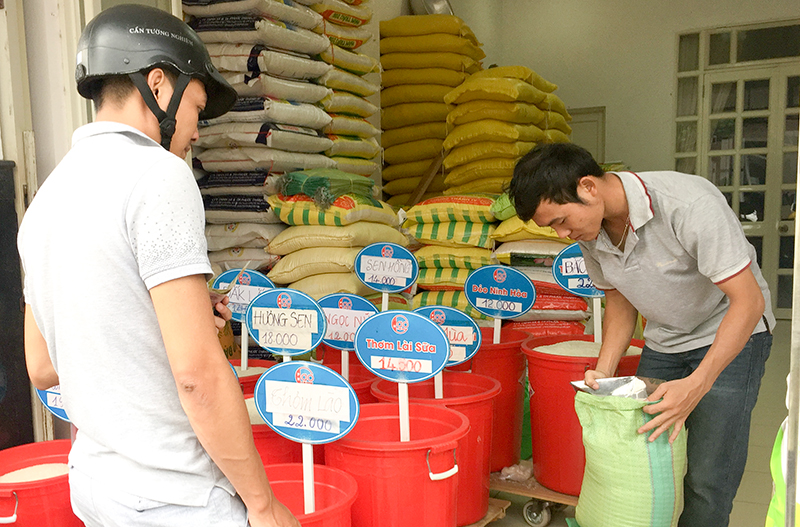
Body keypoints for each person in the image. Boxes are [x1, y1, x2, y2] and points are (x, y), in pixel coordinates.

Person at [18, 5, 300, 527]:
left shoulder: (45, 200)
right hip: (176, 497)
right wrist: (262, 505)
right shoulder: (159, 177)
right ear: (158, 85)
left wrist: (164, 315)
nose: (195, 132)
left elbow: (43, 364)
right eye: (195, 107)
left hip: (98, 487)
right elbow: (195, 374)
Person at [508, 143, 774, 527]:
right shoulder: (591, 232)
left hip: (732, 333)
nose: (564, 234)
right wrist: (603, 371)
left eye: (561, 221)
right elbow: (619, 303)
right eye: (553, 229)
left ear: (588, 187)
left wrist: (696, 385)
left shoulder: (688, 204)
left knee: (707, 476)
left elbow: (747, 303)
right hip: (665, 340)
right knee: (647, 461)